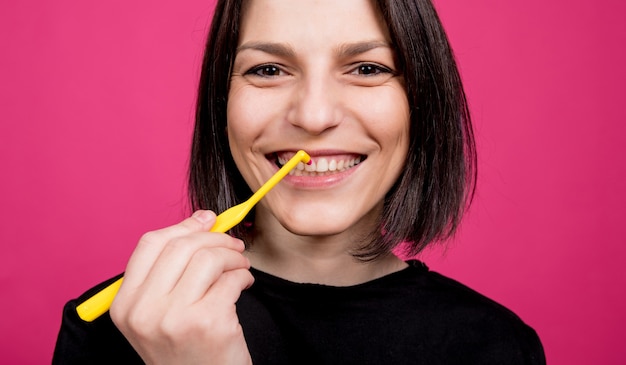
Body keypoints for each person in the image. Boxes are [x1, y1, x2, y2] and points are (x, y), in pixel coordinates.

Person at [53, 0, 546, 364]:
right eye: (268, 70)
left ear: (422, 102)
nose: (313, 115)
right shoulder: (122, 324)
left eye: (367, 68)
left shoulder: (494, 347)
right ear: (220, 104)